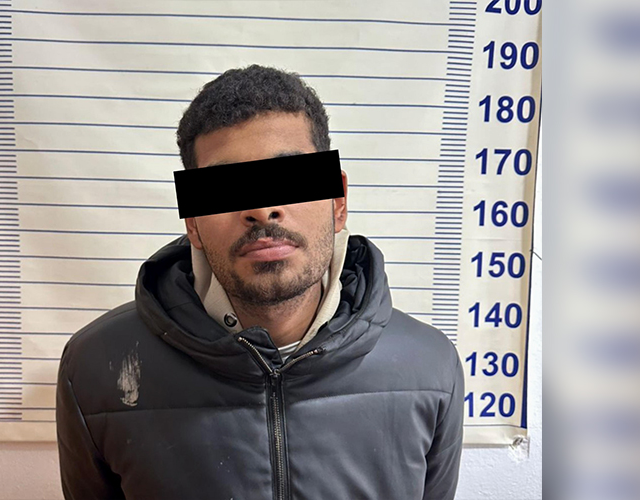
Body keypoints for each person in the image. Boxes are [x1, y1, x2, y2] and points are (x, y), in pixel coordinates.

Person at [56, 64, 465, 500]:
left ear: (338, 201)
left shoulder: (430, 368)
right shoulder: (95, 368)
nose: (262, 208)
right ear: (193, 222)